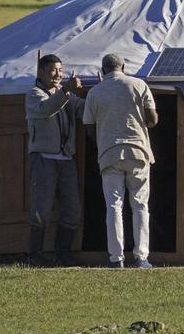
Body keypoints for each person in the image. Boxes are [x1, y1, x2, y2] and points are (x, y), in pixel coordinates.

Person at [81, 52, 159, 268]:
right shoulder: (139, 85)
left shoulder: (95, 92)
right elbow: (152, 120)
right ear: (123, 66)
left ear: (103, 69)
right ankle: (141, 257)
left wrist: (104, 137)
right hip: (138, 152)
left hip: (109, 153)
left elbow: (88, 127)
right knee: (140, 205)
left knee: (114, 206)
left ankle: (116, 259)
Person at [25, 54, 85, 265]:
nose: (58, 74)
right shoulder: (34, 94)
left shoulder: (64, 94)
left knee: (72, 208)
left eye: (60, 70)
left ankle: (63, 254)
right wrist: (66, 90)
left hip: (66, 159)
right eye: (53, 70)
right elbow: (46, 109)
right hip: (44, 158)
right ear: (40, 72)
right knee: (41, 208)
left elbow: (83, 109)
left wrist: (103, 94)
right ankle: (35, 255)